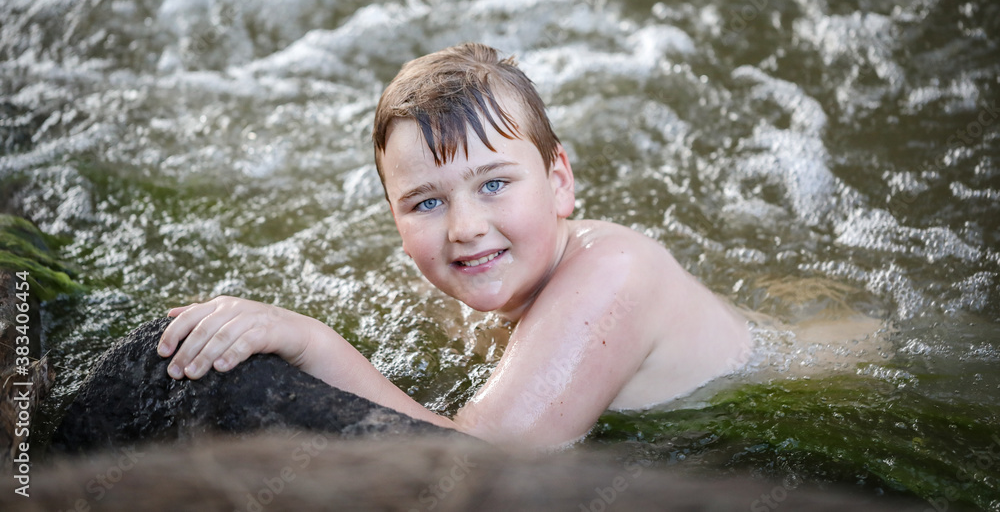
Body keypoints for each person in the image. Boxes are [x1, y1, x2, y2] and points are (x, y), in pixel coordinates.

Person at [157, 42, 751, 449]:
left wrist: (310, 341)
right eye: (426, 202)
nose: (464, 227)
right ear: (394, 216)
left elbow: (483, 460)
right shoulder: (479, 278)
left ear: (559, 181)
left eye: (493, 184)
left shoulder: (615, 274)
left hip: (797, 389)